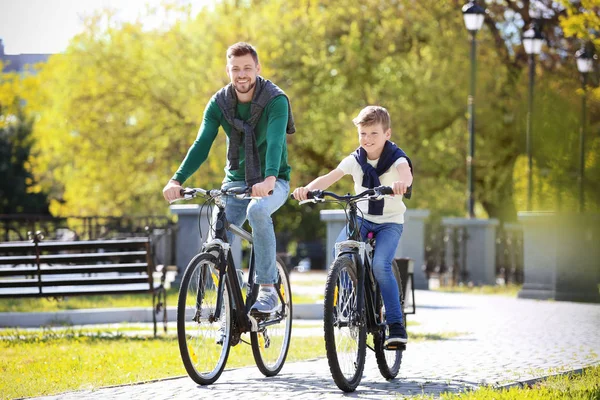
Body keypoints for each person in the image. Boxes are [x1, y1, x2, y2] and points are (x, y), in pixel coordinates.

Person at [163, 42, 294, 315]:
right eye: (236, 69)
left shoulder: (275, 100)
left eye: (247, 68)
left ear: (258, 68)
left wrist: (269, 179)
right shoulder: (219, 103)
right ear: (228, 70)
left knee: (258, 211)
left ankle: (268, 289)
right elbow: (201, 144)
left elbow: (275, 142)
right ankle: (237, 297)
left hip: (273, 180)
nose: (242, 74)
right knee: (214, 247)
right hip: (235, 182)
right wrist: (177, 179)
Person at [292, 105, 413, 347]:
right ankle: (348, 303)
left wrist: (402, 184)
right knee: (341, 249)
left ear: (387, 134)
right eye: (363, 134)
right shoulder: (355, 160)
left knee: (380, 265)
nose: (367, 140)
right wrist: (308, 189)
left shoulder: (395, 157)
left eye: (374, 134)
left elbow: (405, 173)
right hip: (362, 217)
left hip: (389, 223)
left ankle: (395, 323)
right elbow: (330, 177)